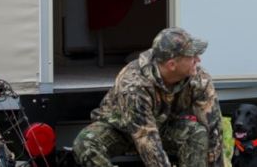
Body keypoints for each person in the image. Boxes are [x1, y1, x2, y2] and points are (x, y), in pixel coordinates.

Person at [73, 27, 223, 167]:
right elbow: (147, 141)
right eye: (192, 56)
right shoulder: (134, 84)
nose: (198, 60)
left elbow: (214, 129)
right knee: (85, 143)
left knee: (197, 133)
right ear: (172, 64)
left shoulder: (198, 78)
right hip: (121, 130)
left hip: (162, 126)